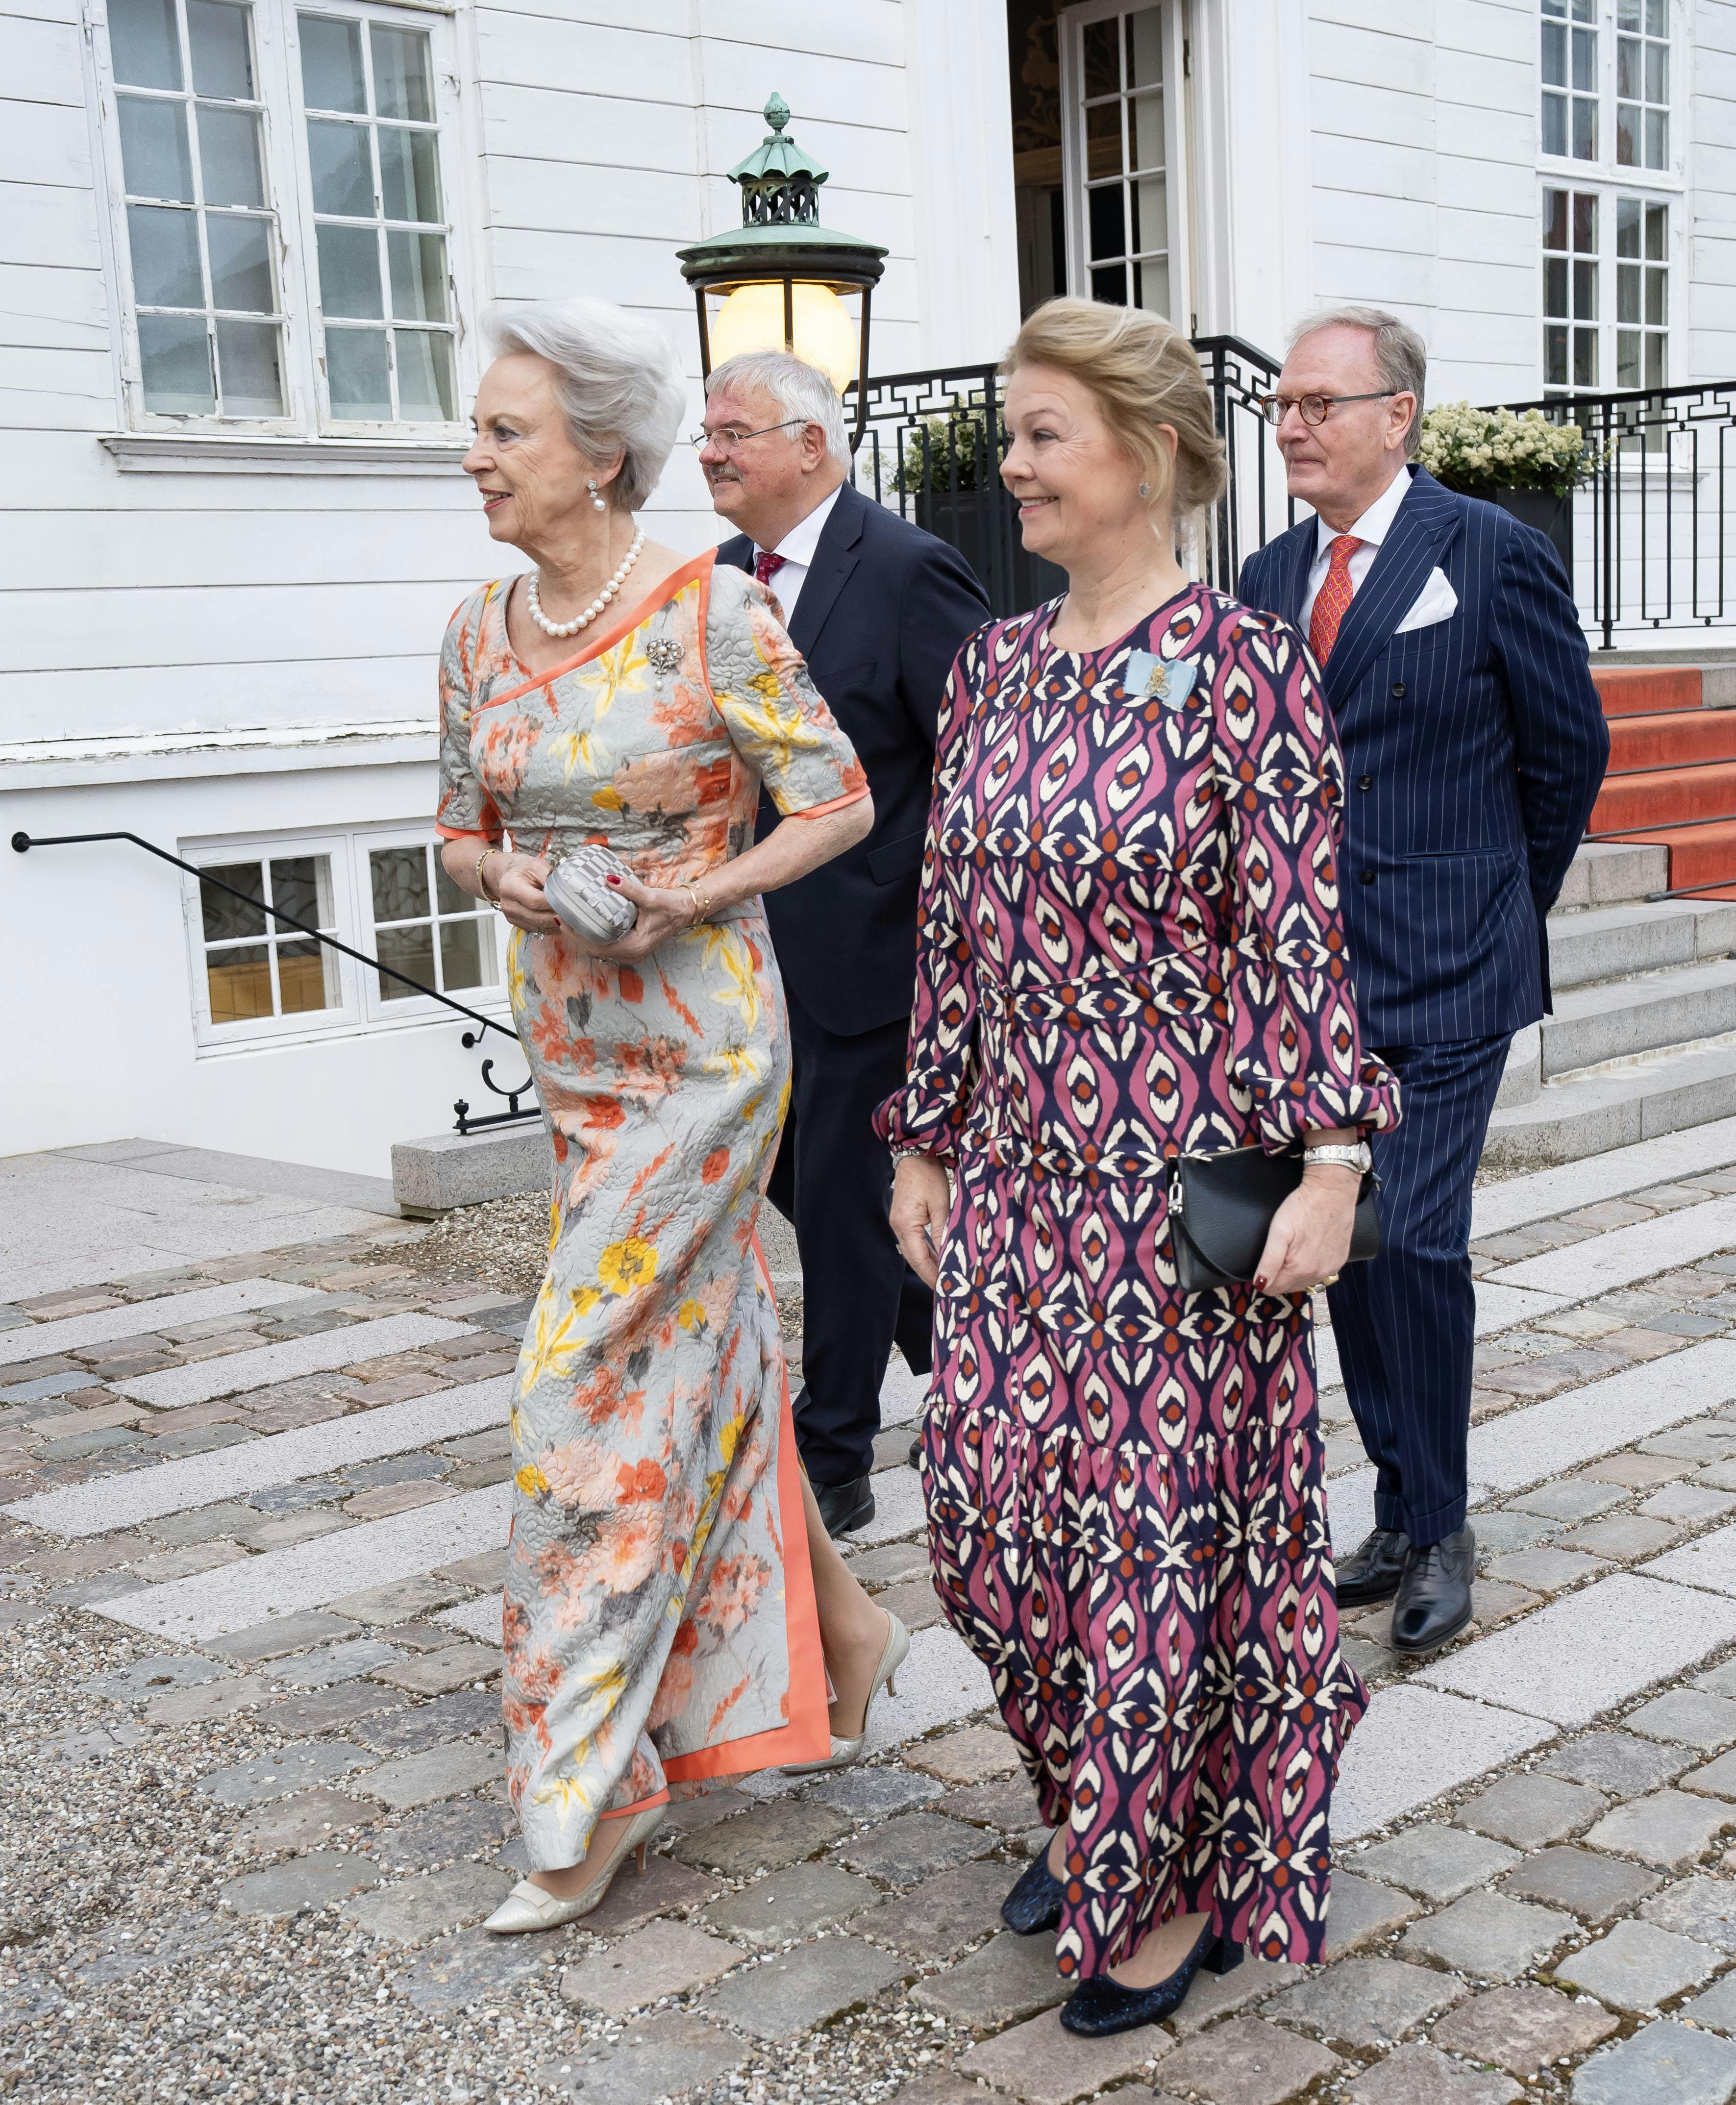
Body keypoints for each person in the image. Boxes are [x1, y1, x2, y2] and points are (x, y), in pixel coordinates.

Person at [880, 297, 1401, 2037]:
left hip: (1180, 1200)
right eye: (1010, 432)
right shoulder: (994, 670)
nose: (1007, 462)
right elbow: (952, 935)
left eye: (1039, 433)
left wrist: (1331, 1162)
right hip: (1020, 1187)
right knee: (986, 1532)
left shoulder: (1245, 668)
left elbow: (1298, 943)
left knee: (1154, 1549)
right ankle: (1099, 1797)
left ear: (1148, 452)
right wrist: (924, 1137)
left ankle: (1162, 1873)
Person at [434, 296, 911, 1936]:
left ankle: (582, 1788)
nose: (477, 455)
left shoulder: (709, 614)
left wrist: (696, 886)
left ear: (599, 457)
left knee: (577, 1377)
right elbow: (453, 823)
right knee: (703, 1353)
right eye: (482, 429)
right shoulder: (476, 629)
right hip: (572, 1049)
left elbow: (837, 796)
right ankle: (846, 1636)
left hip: (704, 1044)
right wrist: (509, 870)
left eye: (506, 431)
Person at [1238, 307, 1608, 1655]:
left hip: (1449, 964)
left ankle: (1440, 1525)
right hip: (1311, 985)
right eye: (1282, 404)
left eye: (1319, 403)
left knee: (1420, 1235)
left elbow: (1565, 754)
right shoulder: (1267, 571)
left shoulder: (1488, 550)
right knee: (1349, 1245)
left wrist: (1499, 900)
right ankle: (1394, 1504)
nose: (1291, 424)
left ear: (1395, 414)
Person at [704, 351, 991, 1536]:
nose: (710, 450)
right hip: (742, 949)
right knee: (788, 1176)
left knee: (838, 1201)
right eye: (705, 431)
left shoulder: (910, 567)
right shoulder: (720, 578)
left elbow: (977, 766)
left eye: (734, 431)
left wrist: (939, 932)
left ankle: (834, 1457)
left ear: (810, 446)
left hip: (875, 951)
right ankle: (970, 1343)